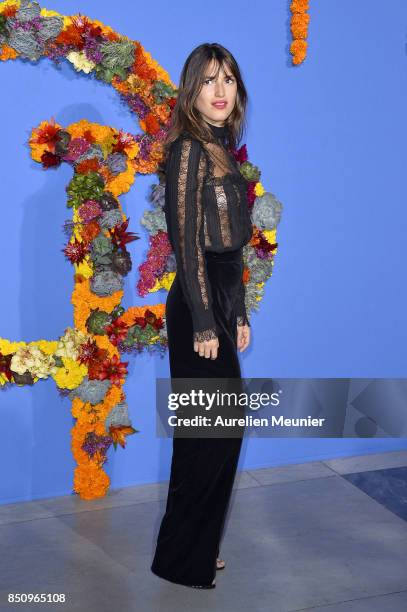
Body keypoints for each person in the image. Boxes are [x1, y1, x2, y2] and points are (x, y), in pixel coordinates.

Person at [151, 42, 253, 589]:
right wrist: (208, 320)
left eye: (229, 80)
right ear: (192, 89)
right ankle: (180, 557)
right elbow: (187, 243)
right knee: (207, 436)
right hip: (194, 304)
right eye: (210, 80)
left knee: (218, 432)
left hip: (217, 296)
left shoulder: (222, 145)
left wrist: (235, 311)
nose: (220, 91)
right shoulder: (189, 148)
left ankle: (196, 543)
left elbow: (232, 245)